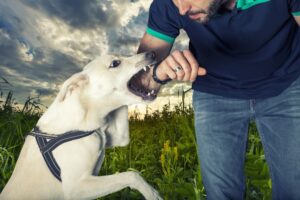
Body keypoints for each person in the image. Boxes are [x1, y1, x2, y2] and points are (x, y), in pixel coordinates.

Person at [137, 0, 300, 199]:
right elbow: (139, 81)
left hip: (287, 86)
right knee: (221, 194)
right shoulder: (169, 5)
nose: (181, 9)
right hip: (215, 94)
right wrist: (158, 72)